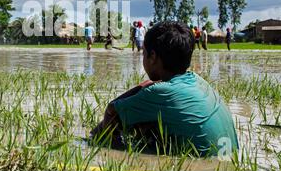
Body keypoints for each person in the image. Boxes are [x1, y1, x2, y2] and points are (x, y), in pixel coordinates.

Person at [90, 21, 239, 156]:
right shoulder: (198, 80)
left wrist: (96, 140)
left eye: (144, 54)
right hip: (230, 160)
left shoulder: (159, 92)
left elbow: (112, 111)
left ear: (153, 56)